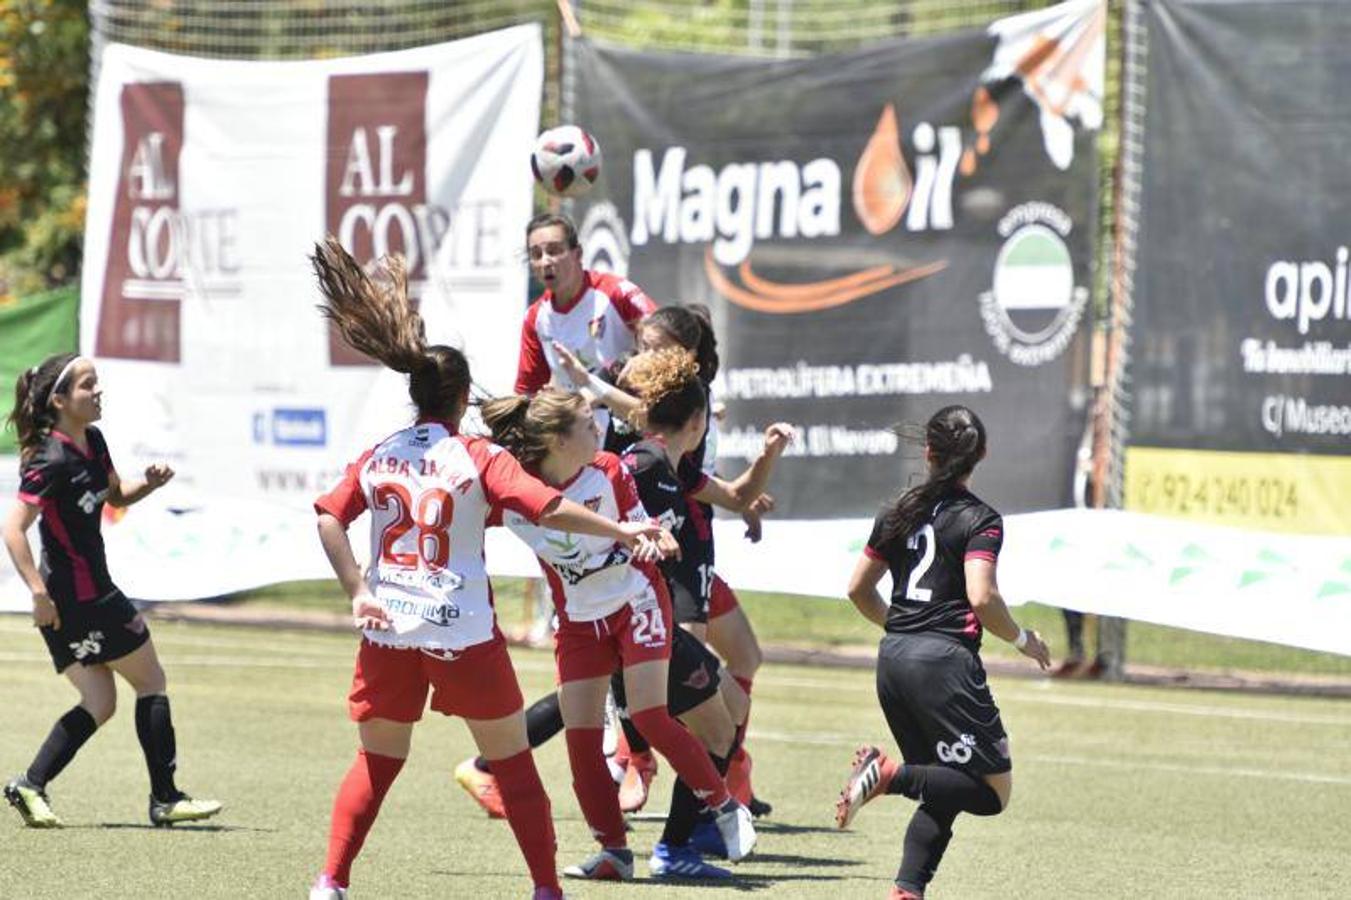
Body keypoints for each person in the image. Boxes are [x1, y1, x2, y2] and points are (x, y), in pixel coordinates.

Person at [306, 237, 665, 900]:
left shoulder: (381, 451)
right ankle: (544, 890)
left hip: (388, 631)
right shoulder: (476, 455)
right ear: (463, 396)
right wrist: (623, 528)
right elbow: (548, 505)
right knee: (512, 766)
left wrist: (358, 591)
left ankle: (330, 883)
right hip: (460, 633)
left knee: (377, 763)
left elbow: (328, 516)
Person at [480, 388, 756, 881]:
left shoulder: (609, 468)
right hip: (581, 623)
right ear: (559, 442)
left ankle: (725, 808)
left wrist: (655, 536)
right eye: (589, 424)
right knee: (582, 743)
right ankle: (614, 853)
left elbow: (639, 523)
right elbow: (467, 507)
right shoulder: (516, 494)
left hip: (637, 602)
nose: (599, 430)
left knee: (650, 714)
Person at [833, 405, 1051, 900]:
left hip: (893, 661)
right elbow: (982, 596)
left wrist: (907, 629)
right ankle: (886, 774)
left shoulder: (897, 511)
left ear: (928, 452)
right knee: (992, 793)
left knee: (944, 783)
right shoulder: (981, 520)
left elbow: (857, 590)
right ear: (983, 456)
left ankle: (907, 892)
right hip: (944, 667)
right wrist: (1023, 640)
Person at [2, 353, 222, 829]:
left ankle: (29, 784)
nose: (98, 391)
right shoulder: (50, 457)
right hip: (83, 598)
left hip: (73, 601)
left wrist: (149, 483)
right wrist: (38, 594)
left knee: (100, 703)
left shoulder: (93, 441)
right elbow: (14, 529)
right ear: (60, 400)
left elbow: (115, 494)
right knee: (152, 682)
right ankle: (165, 797)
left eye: (96, 382)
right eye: (87, 385)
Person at [618, 348, 791, 875]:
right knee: (709, 729)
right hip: (639, 628)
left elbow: (737, 496)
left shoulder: (674, 469)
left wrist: (768, 456)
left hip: (659, 625)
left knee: (731, 706)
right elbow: (605, 525)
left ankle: (684, 830)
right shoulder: (641, 465)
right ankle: (674, 846)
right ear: (696, 422)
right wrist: (640, 542)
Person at [515, 213, 656, 405]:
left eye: (554, 251)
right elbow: (527, 394)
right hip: (576, 427)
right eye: (536, 254)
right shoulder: (534, 317)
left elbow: (666, 342)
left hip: (628, 420)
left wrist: (640, 362)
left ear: (578, 254)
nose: (545, 262)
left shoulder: (617, 292)